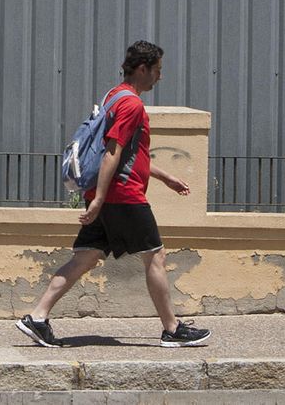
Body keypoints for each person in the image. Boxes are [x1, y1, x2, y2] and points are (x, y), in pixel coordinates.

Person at [16, 40, 211, 348]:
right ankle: (172, 328)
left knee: (86, 257)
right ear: (143, 69)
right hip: (123, 195)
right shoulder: (132, 104)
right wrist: (100, 199)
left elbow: (131, 155)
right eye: (158, 70)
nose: (160, 77)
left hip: (108, 192)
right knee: (155, 256)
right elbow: (112, 152)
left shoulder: (113, 96)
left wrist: (163, 177)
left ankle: (37, 318)